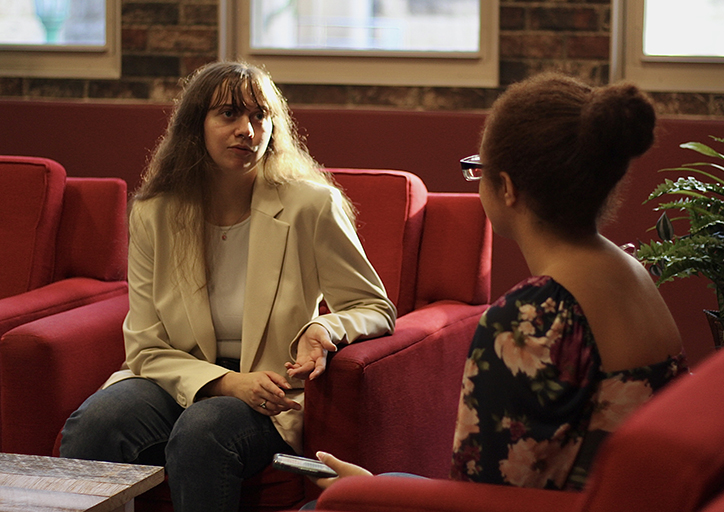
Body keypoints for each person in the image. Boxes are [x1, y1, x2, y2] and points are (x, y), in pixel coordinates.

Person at [307, 73, 689, 496]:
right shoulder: (630, 270)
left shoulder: (533, 318)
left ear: (506, 187)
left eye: (479, 167)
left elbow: (480, 503)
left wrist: (368, 492)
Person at [59, 60, 397, 512]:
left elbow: (374, 306)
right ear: (194, 127)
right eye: (229, 114)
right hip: (174, 378)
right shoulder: (155, 213)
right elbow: (144, 347)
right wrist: (226, 383)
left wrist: (327, 328)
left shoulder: (311, 206)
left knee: (204, 429)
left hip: (271, 390)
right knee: (94, 422)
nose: (248, 130)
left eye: (260, 115)